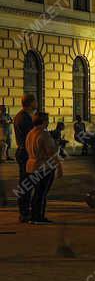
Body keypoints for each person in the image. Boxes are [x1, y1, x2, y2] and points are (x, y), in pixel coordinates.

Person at [25, 112, 61, 224]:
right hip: (43, 167)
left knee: (36, 193)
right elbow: (51, 151)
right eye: (47, 119)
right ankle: (39, 216)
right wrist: (59, 166)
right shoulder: (44, 134)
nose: (48, 122)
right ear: (44, 121)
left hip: (31, 166)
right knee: (41, 193)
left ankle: (33, 216)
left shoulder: (30, 133)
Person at [14, 94, 37, 222]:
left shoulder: (22, 116)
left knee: (26, 182)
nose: (37, 104)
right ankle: (24, 211)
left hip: (24, 152)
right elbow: (31, 135)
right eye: (35, 101)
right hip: (25, 153)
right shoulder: (24, 118)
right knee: (26, 183)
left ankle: (25, 210)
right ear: (30, 103)